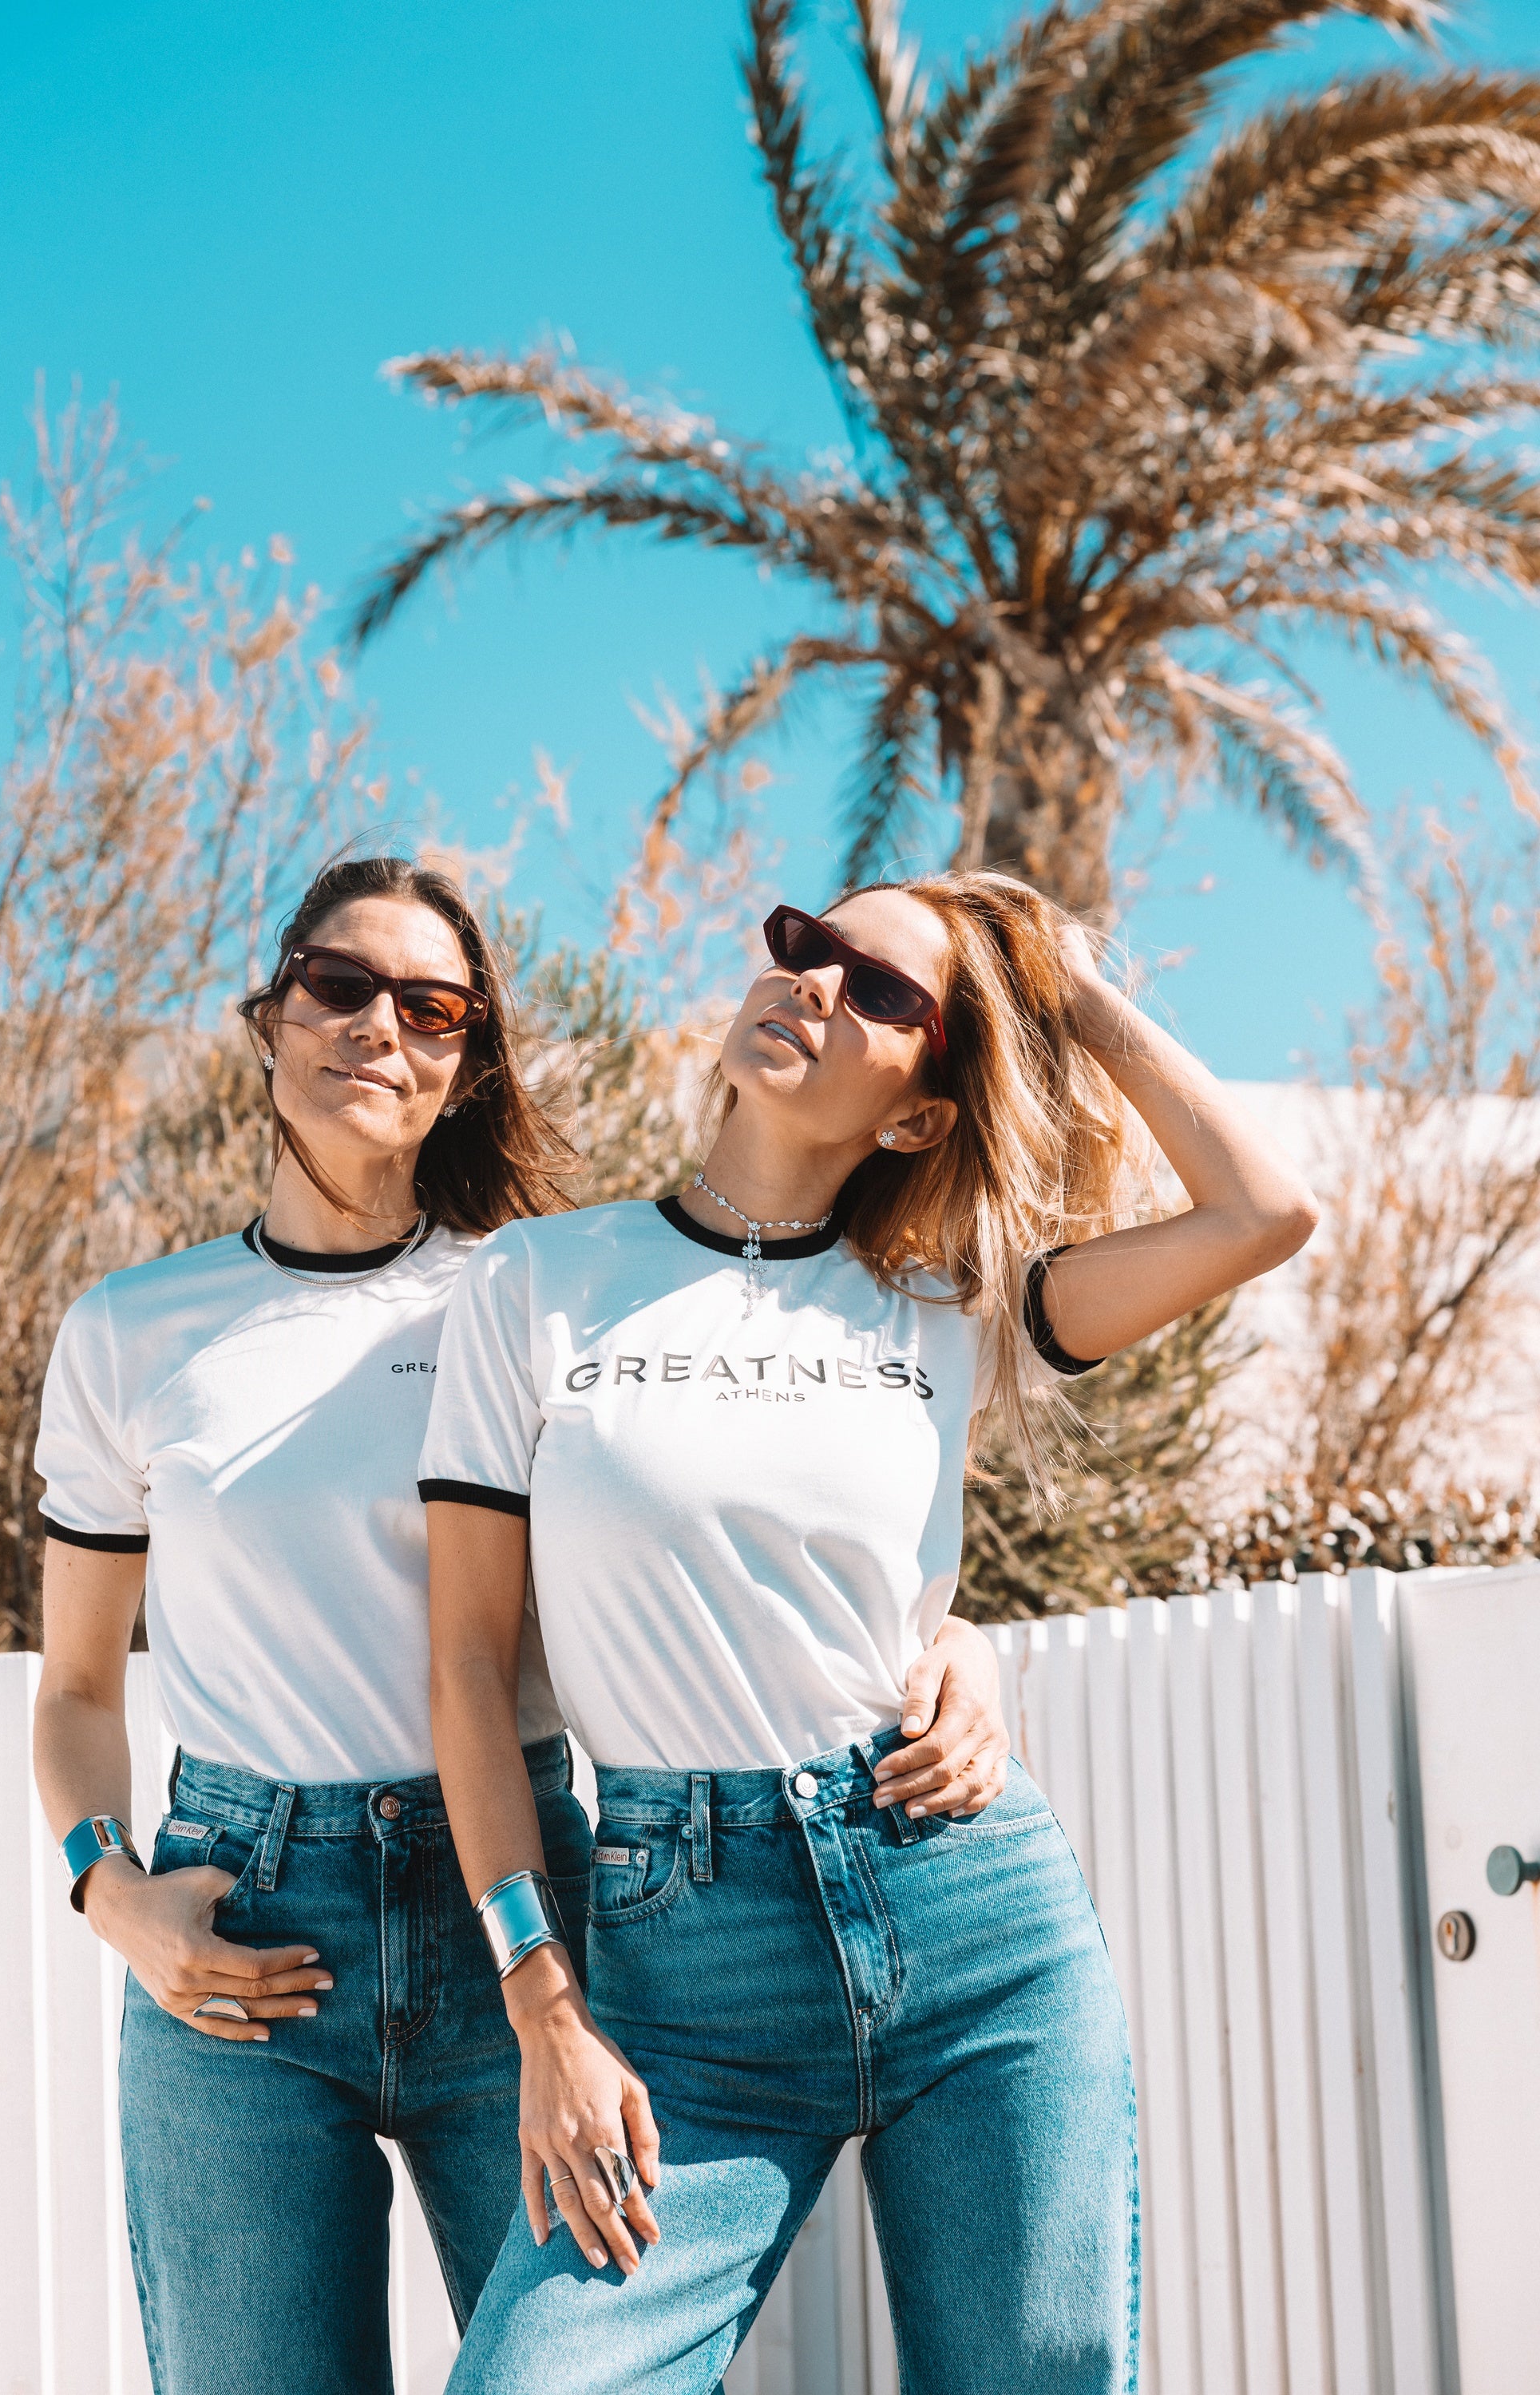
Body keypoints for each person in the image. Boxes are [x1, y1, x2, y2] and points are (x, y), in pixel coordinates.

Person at [31, 853, 1017, 2395]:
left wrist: (956, 1640)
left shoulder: (552, 1294)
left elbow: (756, 1519)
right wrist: (113, 1891)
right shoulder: (128, 1333)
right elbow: (80, 1688)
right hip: (242, 1924)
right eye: (338, 985)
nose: (378, 1027)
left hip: (522, 1911)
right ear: (272, 1016)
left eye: (431, 1008)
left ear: (467, 1063)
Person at [420, 871, 1320, 2395]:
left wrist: (1062, 987)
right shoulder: (539, 1284)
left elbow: (1265, 1212)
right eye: (807, 944)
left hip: (972, 1923)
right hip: (686, 1967)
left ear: (920, 1115)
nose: (816, 981)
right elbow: (464, 1668)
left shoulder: (949, 1304)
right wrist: (543, 2009)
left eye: (885, 991)